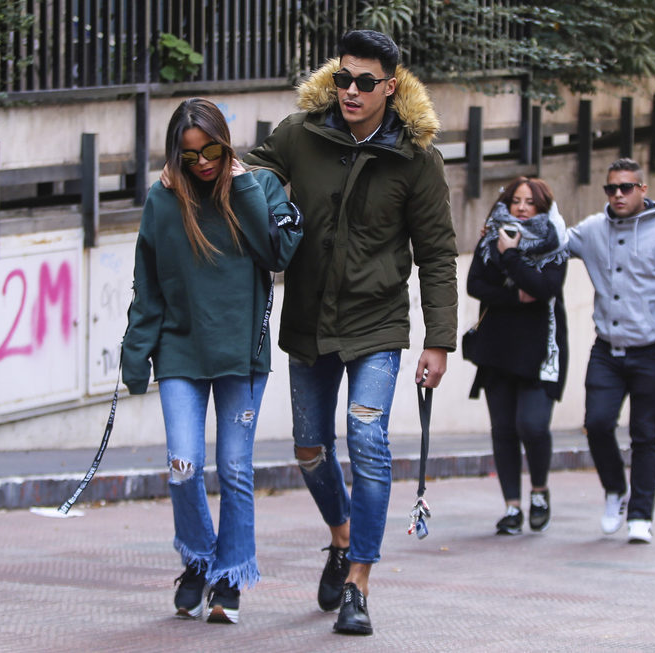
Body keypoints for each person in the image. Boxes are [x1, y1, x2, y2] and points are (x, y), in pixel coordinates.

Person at [243, 29, 457, 635]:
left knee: (367, 436)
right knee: (310, 451)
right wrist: (193, 170)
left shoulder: (415, 159)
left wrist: (439, 339)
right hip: (308, 320)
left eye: (366, 82)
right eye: (344, 78)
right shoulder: (301, 133)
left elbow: (438, 253)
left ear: (392, 85)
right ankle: (341, 536)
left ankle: (359, 580)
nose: (351, 91)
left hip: (376, 324)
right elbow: (250, 175)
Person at [123, 98, 302, 624]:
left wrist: (241, 181)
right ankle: (200, 561)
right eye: (189, 154)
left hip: (241, 355)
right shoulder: (163, 200)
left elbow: (279, 254)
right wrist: (136, 357)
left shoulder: (259, 187)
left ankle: (229, 579)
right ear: (175, 155)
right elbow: (147, 286)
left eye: (212, 150)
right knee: (182, 467)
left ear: (228, 144)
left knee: (235, 470)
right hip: (180, 351)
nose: (202, 162)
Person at [567, 158, 655, 545]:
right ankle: (615, 490)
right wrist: (513, 234)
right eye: (611, 188)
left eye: (626, 187)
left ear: (643, 189)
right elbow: (556, 243)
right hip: (607, 350)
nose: (618, 195)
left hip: (654, 351)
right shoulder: (594, 229)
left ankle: (641, 515)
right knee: (597, 423)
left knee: (645, 434)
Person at [465, 177, 569, 535]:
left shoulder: (555, 241)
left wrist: (510, 255)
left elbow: (545, 288)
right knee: (504, 429)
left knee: (533, 425)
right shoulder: (490, 234)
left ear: (543, 207)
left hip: (542, 348)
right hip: (498, 347)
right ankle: (512, 507)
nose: (522, 207)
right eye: (516, 201)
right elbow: (474, 285)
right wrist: (513, 297)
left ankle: (539, 491)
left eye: (531, 202)